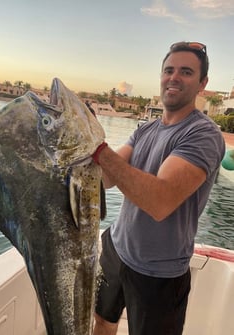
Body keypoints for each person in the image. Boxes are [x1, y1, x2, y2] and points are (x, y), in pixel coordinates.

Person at [92, 42, 225, 335]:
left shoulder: (203, 134)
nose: (174, 77)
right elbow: (107, 178)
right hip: (117, 247)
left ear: (202, 84)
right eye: (169, 70)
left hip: (160, 271)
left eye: (186, 72)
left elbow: (159, 201)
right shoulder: (145, 129)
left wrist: (97, 148)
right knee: (103, 321)